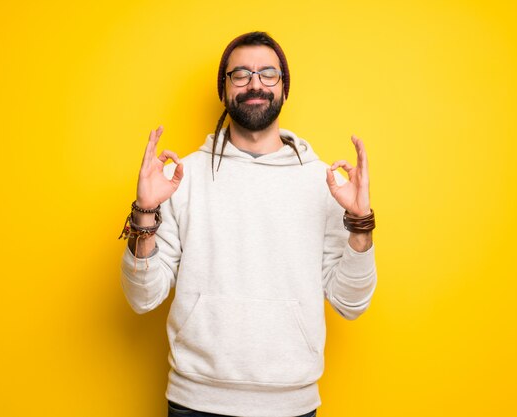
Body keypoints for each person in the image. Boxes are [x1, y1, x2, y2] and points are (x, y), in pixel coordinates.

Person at [120, 31, 377, 417]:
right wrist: (144, 212)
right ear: (223, 90)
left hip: (292, 404)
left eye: (268, 73)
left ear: (284, 88)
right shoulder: (180, 178)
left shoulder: (325, 183)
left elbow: (351, 303)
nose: (255, 83)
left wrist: (360, 224)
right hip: (194, 402)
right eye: (240, 74)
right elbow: (143, 297)